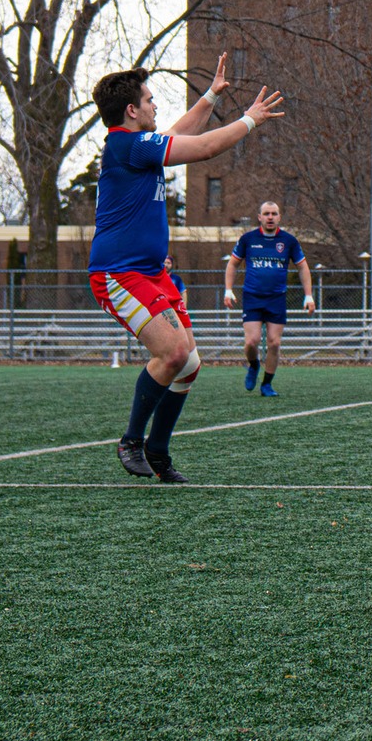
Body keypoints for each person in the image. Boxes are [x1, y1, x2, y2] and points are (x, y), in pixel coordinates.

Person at [89, 55, 281, 483]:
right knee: (174, 353)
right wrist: (249, 120)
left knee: (189, 364)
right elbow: (205, 146)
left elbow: (179, 132)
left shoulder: (137, 147)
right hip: (118, 273)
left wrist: (211, 96)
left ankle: (158, 450)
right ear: (131, 110)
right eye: (150, 100)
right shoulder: (129, 145)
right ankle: (131, 441)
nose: (156, 106)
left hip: (148, 272)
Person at [223, 200, 314, 397]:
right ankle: (254, 366)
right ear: (260, 217)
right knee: (251, 342)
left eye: (274, 213)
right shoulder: (248, 239)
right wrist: (228, 290)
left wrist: (308, 295)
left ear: (279, 217)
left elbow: (303, 267)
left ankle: (266, 384)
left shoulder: (289, 241)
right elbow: (232, 265)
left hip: (276, 299)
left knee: (274, 343)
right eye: (266, 214)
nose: (270, 217)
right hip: (253, 297)